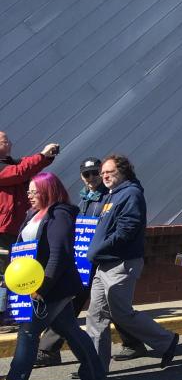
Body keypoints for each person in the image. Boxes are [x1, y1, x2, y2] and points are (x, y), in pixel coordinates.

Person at [0, 172, 105, 380]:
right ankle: (95, 374)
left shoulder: (60, 215)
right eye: (29, 191)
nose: (29, 195)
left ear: (48, 190)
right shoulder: (33, 214)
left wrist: (42, 289)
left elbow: (58, 257)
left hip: (51, 287)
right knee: (70, 330)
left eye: (33, 191)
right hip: (34, 285)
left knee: (27, 334)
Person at [36, 157, 146, 366]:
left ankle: (133, 342)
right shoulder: (85, 198)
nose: (93, 178)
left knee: (106, 305)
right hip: (84, 259)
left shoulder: (112, 195)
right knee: (76, 301)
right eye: (87, 174)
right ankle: (49, 349)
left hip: (104, 258)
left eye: (96, 172)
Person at [85, 154, 179, 372]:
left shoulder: (131, 195)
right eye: (103, 173)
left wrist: (99, 248)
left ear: (123, 172)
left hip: (121, 264)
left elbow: (127, 231)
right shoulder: (112, 195)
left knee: (121, 314)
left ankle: (166, 341)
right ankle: (94, 368)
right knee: (95, 315)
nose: (104, 176)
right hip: (104, 264)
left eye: (109, 172)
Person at [0, 134, 59, 329]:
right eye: (3, 141)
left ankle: (16, 312)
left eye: (8, 140)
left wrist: (46, 157)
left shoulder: (11, 164)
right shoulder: (5, 169)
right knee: (3, 274)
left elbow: (24, 165)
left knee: (16, 272)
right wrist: (41, 156)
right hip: (3, 231)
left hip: (16, 230)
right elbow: (19, 172)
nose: (9, 143)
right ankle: (2, 315)